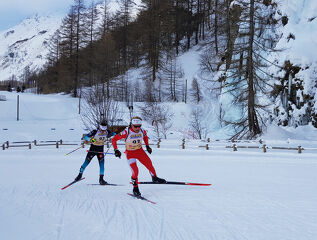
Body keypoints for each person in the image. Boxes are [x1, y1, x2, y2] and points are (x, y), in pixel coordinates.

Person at [112, 116, 166, 196]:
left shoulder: (142, 130)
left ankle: (154, 178)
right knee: (135, 171)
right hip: (130, 153)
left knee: (149, 164)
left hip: (140, 151)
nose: (137, 128)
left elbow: (145, 137)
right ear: (131, 125)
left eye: (139, 126)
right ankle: (135, 188)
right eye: (135, 126)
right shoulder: (126, 132)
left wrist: (147, 146)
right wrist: (116, 150)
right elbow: (114, 139)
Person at [74, 120, 114, 185]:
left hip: (100, 150)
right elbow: (85, 137)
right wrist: (91, 140)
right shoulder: (95, 131)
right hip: (93, 150)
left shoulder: (107, 132)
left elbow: (114, 134)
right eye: (102, 129)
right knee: (86, 163)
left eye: (104, 130)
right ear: (99, 127)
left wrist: (115, 135)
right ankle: (79, 175)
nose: (103, 131)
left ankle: (101, 179)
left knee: (102, 165)